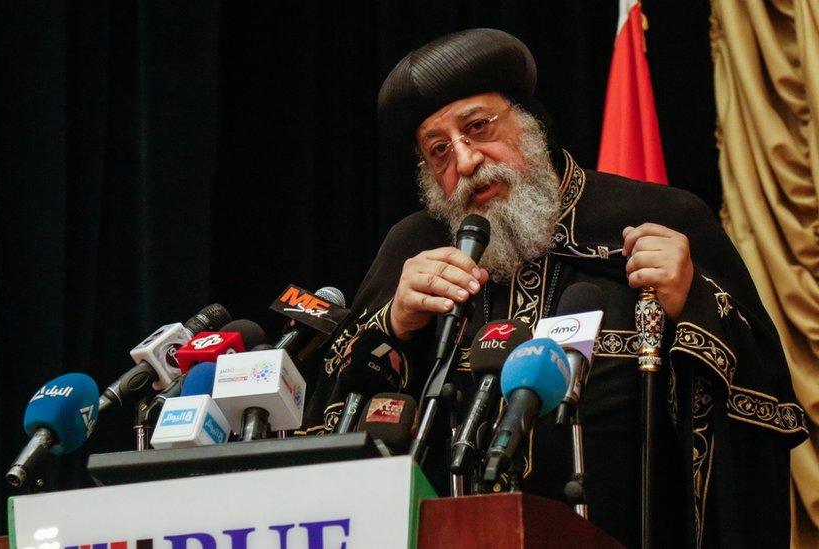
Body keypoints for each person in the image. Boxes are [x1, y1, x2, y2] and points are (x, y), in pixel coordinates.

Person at [295, 29, 807, 547]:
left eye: (478, 127)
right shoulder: (414, 248)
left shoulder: (659, 217)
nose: (467, 161)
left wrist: (690, 301)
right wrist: (395, 323)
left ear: (530, 123)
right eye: (439, 152)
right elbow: (325, 426)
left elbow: (765, 408)